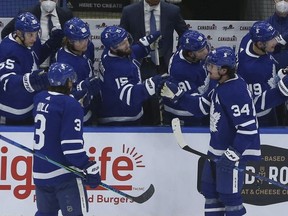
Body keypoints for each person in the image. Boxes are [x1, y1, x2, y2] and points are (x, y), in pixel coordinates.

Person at [160, 46, 260, 215]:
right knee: (210, 194)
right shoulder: (220, 85)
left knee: (230, 199)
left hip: (232, 154)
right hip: (215, 152)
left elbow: (248, 129)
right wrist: (179, 97)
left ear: (224, 70)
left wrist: (232, 155)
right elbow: (201, 107)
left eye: (212, 66)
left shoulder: (236, 91)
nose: (208, 69)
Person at [33, 62, 101, 216]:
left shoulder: (39, 99)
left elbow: (53, 113)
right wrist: (88, 167)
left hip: (40, 174)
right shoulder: (71, 105)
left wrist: (74, 102)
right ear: (67, 82)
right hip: (64, 175)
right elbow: (72, 148)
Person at [120, 0, 188, 125]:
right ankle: (144, 127)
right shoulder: (129, 11)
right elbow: (121, 38)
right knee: (143, 96)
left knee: (165, 95)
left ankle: (164, 126)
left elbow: (184, 33)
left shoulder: (172, 10)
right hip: (140, 62)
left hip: (163, 61)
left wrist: (180, 55)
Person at [96, 25, 167, 126]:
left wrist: (147, 45)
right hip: (120, 119)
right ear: (113, 48)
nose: (127, 45)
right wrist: (152, 84)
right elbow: (129, 96)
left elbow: (132, 52)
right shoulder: (117, 68)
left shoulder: (112, 52)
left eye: (126, 40)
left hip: (121, 111)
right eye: (122, 44)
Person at [0, 12, 61, 125]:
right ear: (19, 33)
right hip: (11, 111)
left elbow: (35, 58)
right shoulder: (7, 49)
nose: (34, 39)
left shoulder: (30, 40)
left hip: (29, 105)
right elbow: (5, 80)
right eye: (30, 35)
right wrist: (27, 81)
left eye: (36, 33)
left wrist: (50, 44)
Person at [1, 0, 73, 69]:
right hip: (34, 66)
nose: (48, 2)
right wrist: (23, 53)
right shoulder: (27, 14)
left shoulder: (66, 14)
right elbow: (6, 32)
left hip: (58, 65)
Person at [162, 29, 211, 126]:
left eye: (205, 47)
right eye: (201, 50)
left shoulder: (186, 49)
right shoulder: (181, 70)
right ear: (190, 54)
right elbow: (193, 101)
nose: (206, 51)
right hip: (186, 114)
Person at [55, 17, 99, 125]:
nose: (85, 43)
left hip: (90, 104)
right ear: (70, 40)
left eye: (86, 38)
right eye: (80, 40)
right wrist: (82, 87)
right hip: (77, 113)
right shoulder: (64, 63)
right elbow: (65, 93)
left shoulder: (88, 46)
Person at [237, 20, 280, 127]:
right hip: (260, 114)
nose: (275, 41)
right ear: (260, 44)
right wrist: (283, 76)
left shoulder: (248, 39)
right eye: (271, 39)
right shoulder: (253, 69)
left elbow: (257, 26)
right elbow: (271, 95)